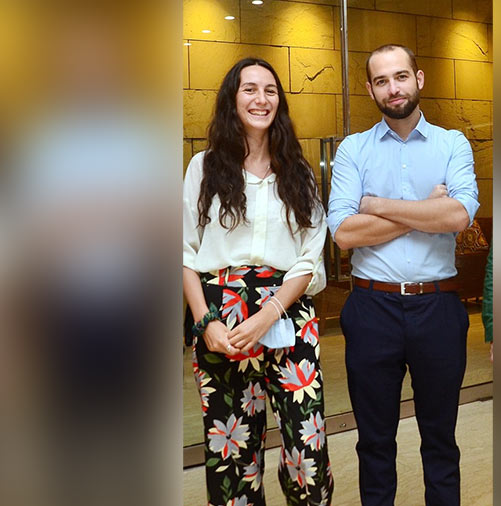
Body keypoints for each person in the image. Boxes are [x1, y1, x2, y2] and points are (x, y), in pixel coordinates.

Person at [327, 44, 479, 505]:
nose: (392, 88)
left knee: (441, 441)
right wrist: (425, 208)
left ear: (419, 79)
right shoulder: (354, 149)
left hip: (438, 308)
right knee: (374, 443)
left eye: (400, 77)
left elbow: (459, 216)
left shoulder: (453, 143)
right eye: (381, 80)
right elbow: (345, 233)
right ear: (371, 89)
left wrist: (376, 206)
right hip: (372, 309)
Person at [183, 58, 333, 505]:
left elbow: (310, 257)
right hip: (221, 317)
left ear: (279, 102)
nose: (261, 99)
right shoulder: (203, 168)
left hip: (289, 310)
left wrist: (270, 312)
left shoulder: (298, 172)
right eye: (249, 89)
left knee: (307, 447)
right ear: (233, 99)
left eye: (270, 90)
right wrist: (205, 321)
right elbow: (181, 252)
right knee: (232, 448)